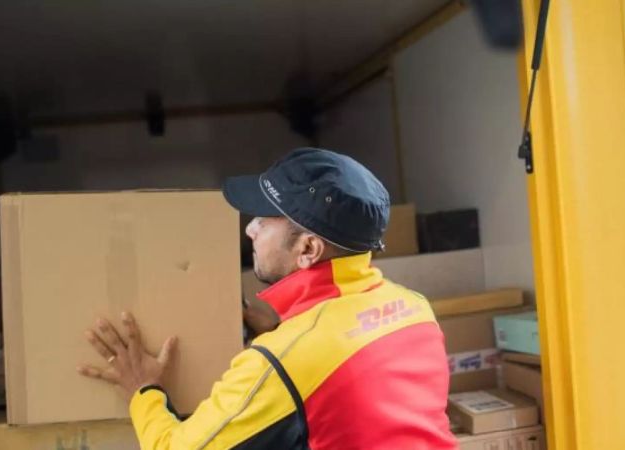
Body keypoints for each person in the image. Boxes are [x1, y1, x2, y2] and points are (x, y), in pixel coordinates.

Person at [78, 148, 456, 449]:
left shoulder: (282, 361)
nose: (251, 228)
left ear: (308, 248)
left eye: (266, 218)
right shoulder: (414, 308)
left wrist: (143, 390)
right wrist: (281, 326)